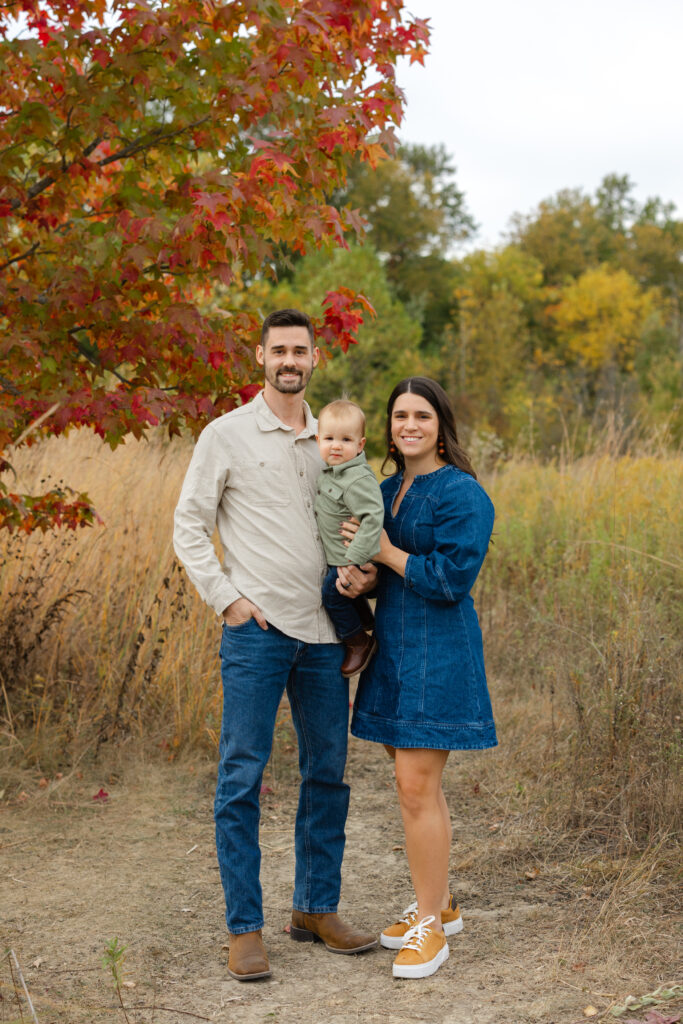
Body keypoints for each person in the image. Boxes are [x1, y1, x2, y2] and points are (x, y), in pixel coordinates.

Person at [173, 309, 378, 983]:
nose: (289, 359)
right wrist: (227, 600)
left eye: (300, 350)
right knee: (241, 780)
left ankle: (315, 909)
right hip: (258, 635)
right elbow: (189, 525)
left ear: (315, 359)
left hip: (326, 636)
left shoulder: (334, 438)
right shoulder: (226, 435)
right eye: (278, 350)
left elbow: (356, 525)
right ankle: (245, 928)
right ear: (260, 358)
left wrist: (363, 569)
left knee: (327, 776)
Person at [341, 376, 497, 980]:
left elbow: (453, 579)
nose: (409, 425)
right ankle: (441, 902)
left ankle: (431, 926)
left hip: (440, 654)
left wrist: (383, 554)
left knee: (414, 786)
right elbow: (381, 565)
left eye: (422, 416)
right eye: (399, 415)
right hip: (394, 650)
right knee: (418, 787)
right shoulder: (384, 488)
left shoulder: (463, 494)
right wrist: (363, 579)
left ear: (441, 425)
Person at [314, 399, 384, 677]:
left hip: (351, 557)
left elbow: (373, 516)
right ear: (318, 440)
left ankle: (358, 641)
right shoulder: (332, 474)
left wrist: (356, 558)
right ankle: (364, 619)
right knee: (342, 593)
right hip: (339, 556)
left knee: (332, 594)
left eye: (346, 439)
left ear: (361, 445)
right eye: (329, 438)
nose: (336, 445)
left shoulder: (356, 479)